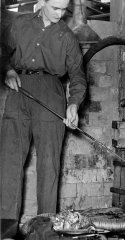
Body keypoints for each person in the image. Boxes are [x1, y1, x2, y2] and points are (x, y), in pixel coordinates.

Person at [0, 0, 87, 227]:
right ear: (43, 2)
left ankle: (44, 230)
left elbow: (78, 75)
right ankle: (6, 231)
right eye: (55, 8)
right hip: (18, 89)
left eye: (63, 9)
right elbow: (2, 52)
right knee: (9, 162)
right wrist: (8, 70)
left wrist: (74, 103)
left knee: (49, 167)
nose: (60, 13)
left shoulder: (67, 37)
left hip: (51, 92)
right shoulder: (19, 24)